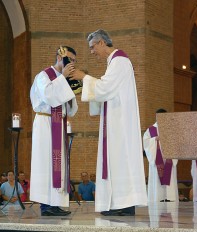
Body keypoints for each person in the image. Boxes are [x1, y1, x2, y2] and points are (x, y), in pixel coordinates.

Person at [71, 29, 147, 216]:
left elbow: (105, 87)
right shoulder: (114, 62)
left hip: (120, 122)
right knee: (115, 160)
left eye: (92, 47)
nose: (92, 52)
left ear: (102, 43)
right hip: (115, 120)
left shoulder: (120, 60)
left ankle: (124, 204)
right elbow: (105, 88)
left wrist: (84, 78)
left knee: (119, 160)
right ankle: (117, 203)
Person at [30, 45, 78, 216]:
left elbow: (71, 109)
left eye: (73, 61)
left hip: (60, 125)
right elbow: (49, 96)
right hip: (46, 124)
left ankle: (56, 203)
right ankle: (46, 205)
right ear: (60, 58)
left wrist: (71, 87)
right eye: (69, 60)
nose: (71, 63)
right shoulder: (43, 76)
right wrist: (63, 78)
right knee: (46, 163)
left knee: (59, 164)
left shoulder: (64, 78)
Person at [143, 109, 179, 203]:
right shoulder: (151, 130)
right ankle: (158, 197)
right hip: (157, 158)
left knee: (169, 174)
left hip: (168, 158)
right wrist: (155, 139)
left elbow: (176, 142)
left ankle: (169, 197)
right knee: (157, 176)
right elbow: (146, 142)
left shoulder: (171, 129)